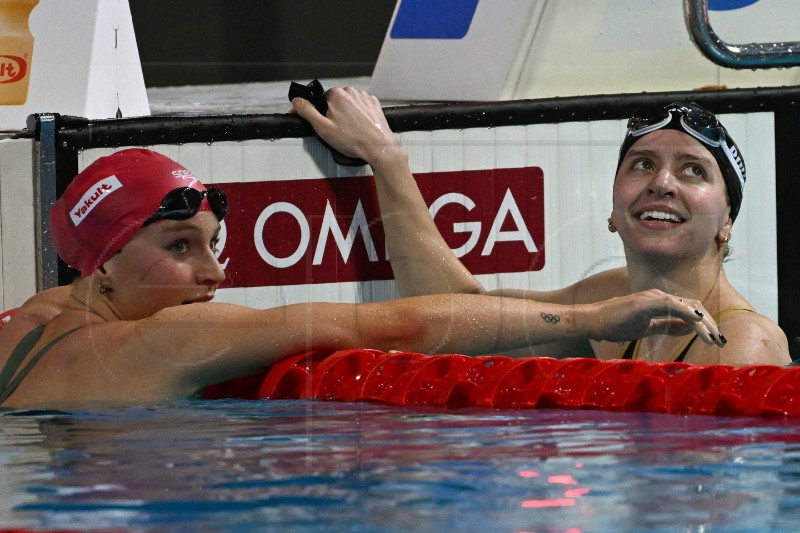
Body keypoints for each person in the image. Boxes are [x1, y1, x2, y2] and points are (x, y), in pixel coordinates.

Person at [0, 100, 725, 409]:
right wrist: (593, 318)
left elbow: (464, 310)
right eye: (180, 247)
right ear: (103, 261)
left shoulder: (28, 323)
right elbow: (396, 327)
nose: (216, 275)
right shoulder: (157, 340)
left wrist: (385, 160)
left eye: (213, 245)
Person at [292, 89, 789, 366]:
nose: (661, 184)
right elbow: (464, 315)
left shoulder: (743, 346)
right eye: (640, 164)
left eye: (692, 170)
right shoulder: (614, 301)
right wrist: (387, 159)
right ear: (614, 211)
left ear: (727, 220)